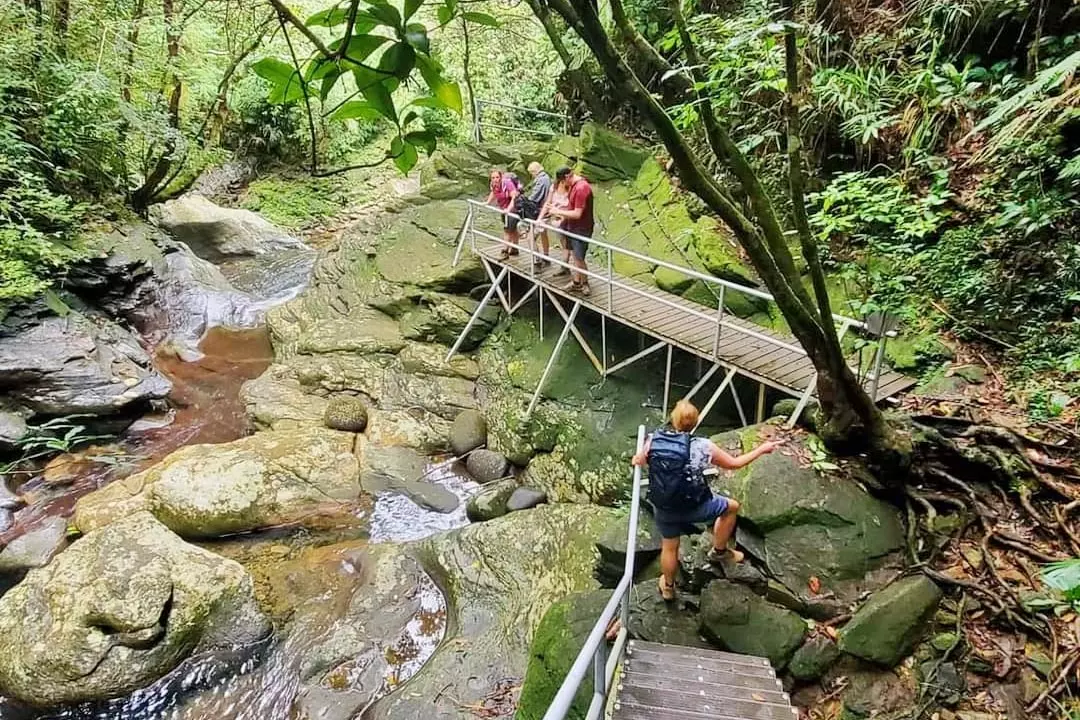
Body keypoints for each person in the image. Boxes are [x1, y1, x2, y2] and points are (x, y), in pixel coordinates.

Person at [632, 400, 779, 601]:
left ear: (673, 420)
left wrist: (640, 458)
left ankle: (668, 587)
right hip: (695, 506)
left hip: (665, 506)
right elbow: (735, 464)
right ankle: (719, 551)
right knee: (731, 507)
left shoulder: (653, 441)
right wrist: (762, 449)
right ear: (696, 422)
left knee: (669, 547)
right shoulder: (704, 446)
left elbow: (638, 460)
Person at [549, 167, 594, 295]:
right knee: (575, 256)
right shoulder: (574, 186)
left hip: (581, 228)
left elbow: (577, 213)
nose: (564, 185)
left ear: (568, 177)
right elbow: (571, 207)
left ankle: (585, 283)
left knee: (579, 257)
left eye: (564, 182)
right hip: (570, 226)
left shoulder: (581, 188)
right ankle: (576, 281)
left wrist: (557, 211)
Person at [519, 162, 553, 269]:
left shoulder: (541, 180)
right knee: (544, 234)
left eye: (531, 173)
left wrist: (524, 199)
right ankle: (546, 256)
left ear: (534, 171)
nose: (532, 175)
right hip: (546, 212)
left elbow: (535, 197)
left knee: (530, 237)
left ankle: (537, 261)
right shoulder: (547, 177)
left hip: (541, 213)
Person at [538, 170, 572, 276]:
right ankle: (565, 266)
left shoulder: (571, 188)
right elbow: (548, 203)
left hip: (568, 219)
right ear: (562, 179)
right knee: (563, 242)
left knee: (567, 244)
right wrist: (540, 218)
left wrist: (563, 217)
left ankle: (565, 267)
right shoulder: (554, 187)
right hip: (557, 220)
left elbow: (572, 205)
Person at [484, 168, 521, 259]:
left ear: (501, 177)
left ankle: (505, 251)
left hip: (514, 208)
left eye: (497, 177)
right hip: (503, 208)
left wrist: (509, 209)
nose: (495, 179)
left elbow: (514, 197)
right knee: (513, 229)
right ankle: (515, 248)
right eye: (493, 177)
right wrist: (487, 202)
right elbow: (493, 193)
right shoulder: (493, 185)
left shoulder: (507, 184)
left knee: (507, 230)